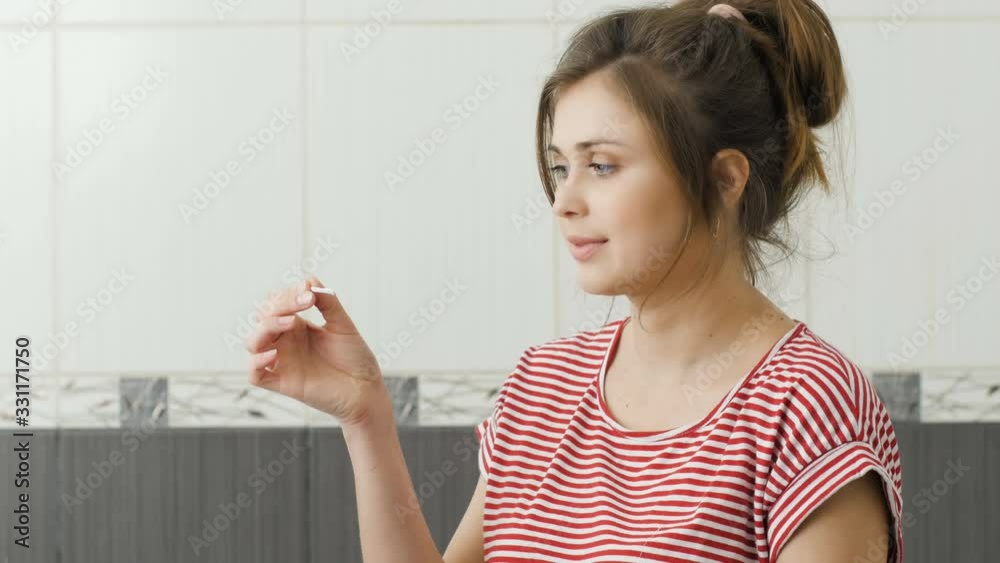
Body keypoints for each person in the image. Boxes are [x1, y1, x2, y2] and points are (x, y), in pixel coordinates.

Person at [244, 0, 904, 561]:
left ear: (725, 178)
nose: (565, 201)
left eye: (604, 166)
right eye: (562, 167)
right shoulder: (543, 386)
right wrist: (366, 415)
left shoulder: (809, 404)